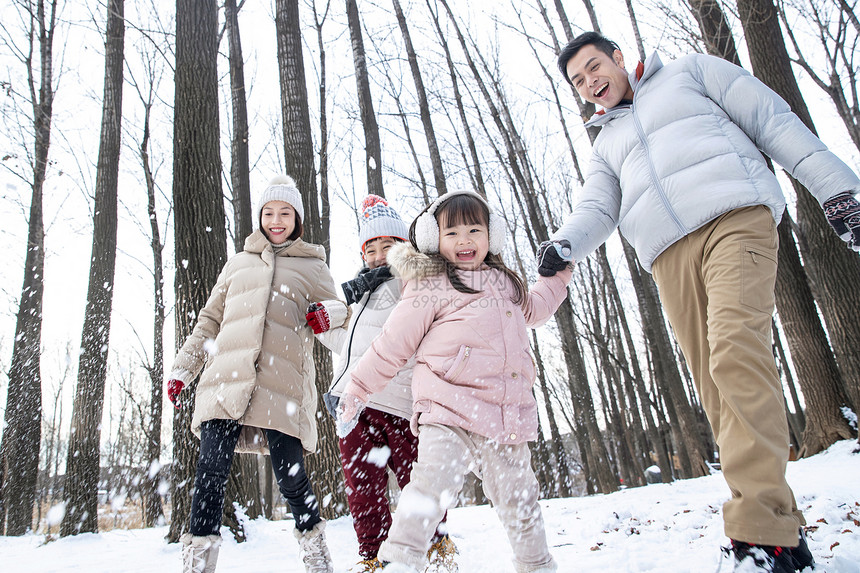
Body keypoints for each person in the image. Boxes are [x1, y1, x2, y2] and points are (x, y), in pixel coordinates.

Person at [539, 31, 860, 572]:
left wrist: (835, 189)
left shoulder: (689, 73)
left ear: (619, 58)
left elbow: (772, 120)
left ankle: (763, 534)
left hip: (735, 218)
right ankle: (776, 528)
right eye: (579, 81)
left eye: (594, 67)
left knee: (736, 350)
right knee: (715, 388)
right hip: (668, 255)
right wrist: (564, 243)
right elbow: (596, 205)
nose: (591, 83)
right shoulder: (606, 144)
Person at [336, 190, 572, 573]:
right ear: (433, 239)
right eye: (452, 233)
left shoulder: (506, 283)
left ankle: (537, 564)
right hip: (447, 409)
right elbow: (393, 344)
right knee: (430, 485)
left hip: (503, 414)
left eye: (474, 230)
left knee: (520, 498)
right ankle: (400, 560)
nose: (465, 241)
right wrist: (358, 387)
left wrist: (557, 275)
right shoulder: (431, 284)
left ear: (492, 236)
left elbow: (537, 308)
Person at [166, 174, 349, 573]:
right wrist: (184, 369)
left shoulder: (313, 267)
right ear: (259, 217)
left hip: (280, 386)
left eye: (285, 212)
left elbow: (341, 317)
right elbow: (209, 321)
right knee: (210, 472)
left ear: (297, 219)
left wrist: (327, 315)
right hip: (224, 383)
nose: (276, 220)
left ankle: (317, 556)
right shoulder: (238, 263)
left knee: (291, 478)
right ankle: (197, 564)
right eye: (269, 212)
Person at [318, 195, 457, 573]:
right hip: (355, 405)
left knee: (418, 480)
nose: (379, 256)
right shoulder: (358, 293)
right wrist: (323, 326)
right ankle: (373, 555)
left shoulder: (414, 283)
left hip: (401, 403)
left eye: (388, 246)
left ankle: (435, 545)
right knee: (363, 489)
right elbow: (349, 344)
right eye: (371, 248)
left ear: (405, 247)